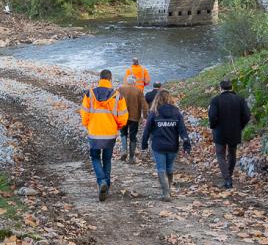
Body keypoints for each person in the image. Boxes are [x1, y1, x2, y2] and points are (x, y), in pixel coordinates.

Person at [80, 69, 129, 201]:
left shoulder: (90, 94)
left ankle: (102, 181)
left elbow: (84, 113)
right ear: (110, 79)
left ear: (100, 79)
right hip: (110, 133)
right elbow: (123, 117)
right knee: (107, 159)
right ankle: (105, 184)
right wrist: (117, 126)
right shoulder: (118, 96)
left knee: (95, 158)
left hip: (94, 132)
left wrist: (88, 125)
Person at [141, 89, 191, 201]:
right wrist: (186, 144)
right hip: (173, 146)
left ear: (157, 99)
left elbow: (147, 130)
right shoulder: (176, 112)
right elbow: (182, 131)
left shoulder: (154, 112)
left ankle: (166, 193)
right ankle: (169, 189)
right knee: (169, 167)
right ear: (169, 98)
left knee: (161, 168)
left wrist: (144, 144)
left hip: (158, 146)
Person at [208, 80, 251, 189]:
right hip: (234, 131)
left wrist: (213, 126)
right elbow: (247, 115)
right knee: (232, 154)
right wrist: (240, 126)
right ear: (231, 87)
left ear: (220, 88)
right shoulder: (240, 99)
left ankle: (227, 179)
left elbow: (212, 116)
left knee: (220, 155)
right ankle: (229, 175)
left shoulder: (215, 100)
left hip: (219, 131)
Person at [117, 75, 148, 163]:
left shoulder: (120, 89)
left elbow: (115, 102)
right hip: (134, 117)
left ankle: (124, 150)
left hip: (123, 116)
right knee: (133, 136)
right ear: (134, 82)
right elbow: (144, 106)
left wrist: (115, 115)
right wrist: (145, 116)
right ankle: (131, 157)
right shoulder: (139, 90)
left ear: (127, 81)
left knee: (123, 133)